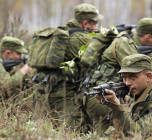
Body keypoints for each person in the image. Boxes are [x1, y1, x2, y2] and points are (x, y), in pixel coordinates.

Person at [80, 17, 152, 135]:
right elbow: (138, 71)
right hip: (103, 94)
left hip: (111, 93)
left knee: (107, 133)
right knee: (124, 130)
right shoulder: (125, 43)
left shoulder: (139, 45)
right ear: (148, 37)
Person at [33, 3, 103, 133]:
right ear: (85, 23)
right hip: (63, 95)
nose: (96, 27)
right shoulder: (81, 38)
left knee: (42, 131)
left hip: (43, 91)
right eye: (94, 23)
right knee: (72, 132)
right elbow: (102, 57)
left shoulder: (61, 34)